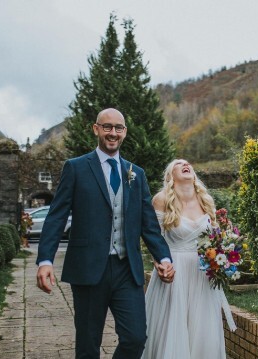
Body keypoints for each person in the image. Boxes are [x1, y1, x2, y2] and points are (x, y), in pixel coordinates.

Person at [36, 108, 175, 359]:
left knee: (135, 338)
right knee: (88, 345)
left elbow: (149, 225)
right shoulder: (76, 168)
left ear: (125, 132)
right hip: (88, 269)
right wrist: (45, 260)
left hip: (126, 269)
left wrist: (164, 258)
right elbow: (56, 216)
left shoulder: (137, 174)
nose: (113, 133)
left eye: (118, 128)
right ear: (96, 129)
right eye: (107, 127)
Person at [142, 159, 236, 359]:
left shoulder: (206, 200)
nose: (185, 164)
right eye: (178, 164)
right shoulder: (161, 199)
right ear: (170, 176)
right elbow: (153, 238)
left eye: (187, 163)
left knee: (203, 328)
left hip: (202, 274)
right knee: (173, 328)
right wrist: (160, 263)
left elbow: (215, 239)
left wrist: (223, 255)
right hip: (174, 272)